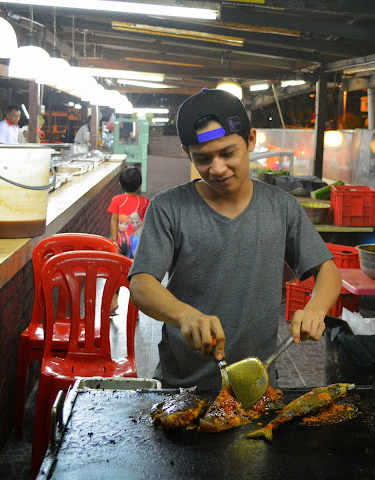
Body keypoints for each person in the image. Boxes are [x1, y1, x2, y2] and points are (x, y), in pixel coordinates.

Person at [128, 88, 342, 390]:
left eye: (228, 153)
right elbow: (141, 284)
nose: (217, 168)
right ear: (186, 152)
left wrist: (316, 308)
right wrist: (184, 314)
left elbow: (327, 271)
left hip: (258, 385)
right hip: (184, 385)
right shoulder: (169, 208)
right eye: (202, 159)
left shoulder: (281, 207)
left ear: (251, 140)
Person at [107, 166, 150, 312]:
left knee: (117, 273)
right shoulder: (145, 202)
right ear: (140, 185)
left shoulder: (117, 200)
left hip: (120, 245)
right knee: (135, 276)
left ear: (120, 184)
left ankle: (113, 302)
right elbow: (146, 224)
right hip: (137, 246)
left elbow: (113, 220)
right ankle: (134, 309)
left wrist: (114, 241)